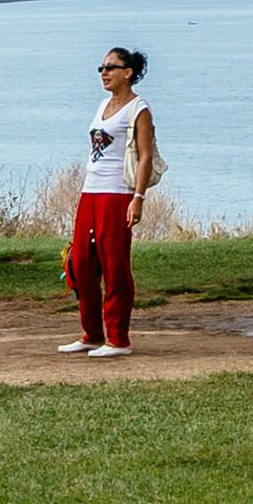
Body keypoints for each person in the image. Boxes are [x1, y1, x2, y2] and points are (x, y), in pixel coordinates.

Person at [59, 45, 159, 357]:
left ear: (127, 72)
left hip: (118, 194)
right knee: (81, 264)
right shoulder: (103, 104)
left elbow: (144, 157)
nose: (103, 73)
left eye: (110, 67)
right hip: (90, 191)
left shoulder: (138, 109)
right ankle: (91, 333)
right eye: (101, 68)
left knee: (114, 264)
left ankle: (118, 339)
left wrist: (137, 198)